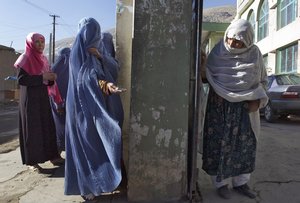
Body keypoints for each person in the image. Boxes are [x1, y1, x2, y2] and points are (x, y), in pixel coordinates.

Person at [202, 19, 269, 199]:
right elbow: (207, 76)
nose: (232, 43)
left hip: (245, 109)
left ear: (248, 41)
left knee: (245, 146)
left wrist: (259, 102)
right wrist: (202, 68)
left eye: (239, 41)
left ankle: (241, 183)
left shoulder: (255, 55)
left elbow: (263, 81)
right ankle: (221, 184)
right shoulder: (218, 51)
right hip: (219, 108)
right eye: (231, 38)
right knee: (218, 144)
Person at [64, 17, 123, 201]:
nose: (95, 39)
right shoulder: (77, 54)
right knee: (81, 148)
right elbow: (86, 80)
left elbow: (111, 71)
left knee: (92, 145)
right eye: (92, 34)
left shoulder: (96, 54)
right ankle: (84, 187)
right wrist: (107, 86)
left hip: (91, 107)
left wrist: (101, 57)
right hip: (79, 110)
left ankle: (95, 183)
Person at [14, 32, 64, 171]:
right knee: (33, 131)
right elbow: (22, 80)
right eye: (37, 42)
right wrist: (43, 77)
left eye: (42, 42)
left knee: (47, 127)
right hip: (30, 100)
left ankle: (52, 156)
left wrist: (51, 78)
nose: (40, 45)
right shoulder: (25, 58)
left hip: (42, 98)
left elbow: (45, 81)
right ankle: (33, 163)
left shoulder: (43, 59)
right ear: (30, 43)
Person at [49, 47, 71, 152]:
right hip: (60, 105)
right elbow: (52, 89)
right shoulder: (55, 70)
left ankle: (62, 151)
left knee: (63, 128)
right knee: (61, 128)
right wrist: (59, 105)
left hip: (64, 104)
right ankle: (58, 152)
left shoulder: (56, 68)